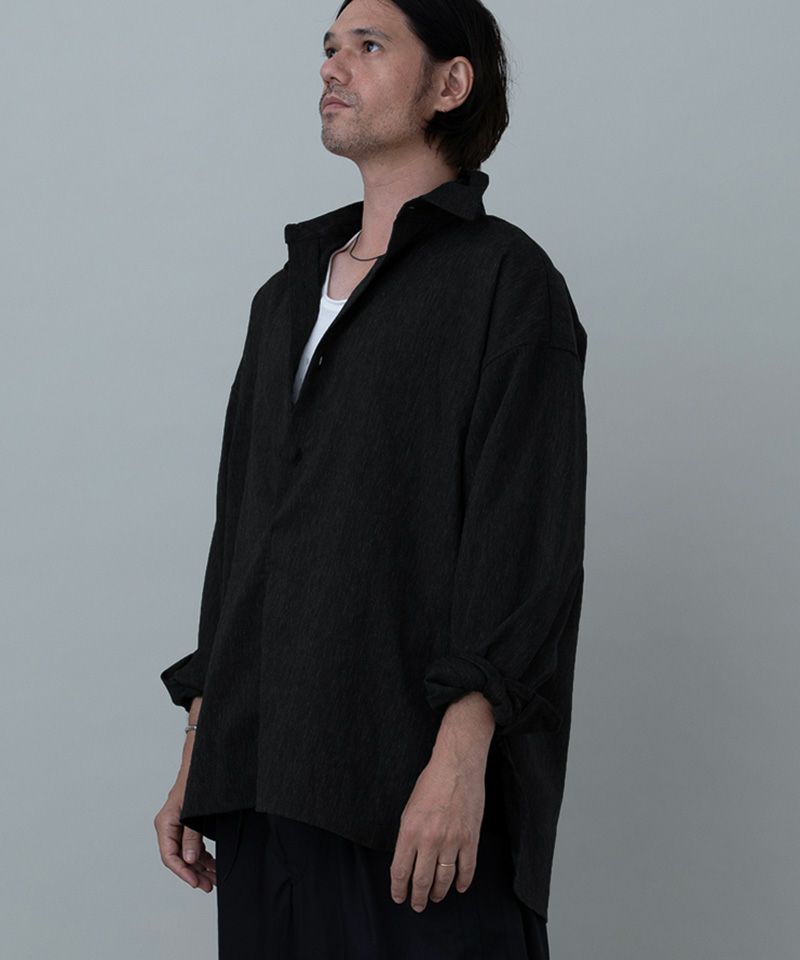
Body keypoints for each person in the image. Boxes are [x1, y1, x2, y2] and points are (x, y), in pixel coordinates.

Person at [153, 0, 588, 957]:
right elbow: (242, 538)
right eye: (329, 47)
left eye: (369, 45)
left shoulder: (507, 284)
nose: (332, 66)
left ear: (450, 83)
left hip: (407, 795)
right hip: (262, 784)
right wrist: (201, 745)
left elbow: (528, 540)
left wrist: (460, 760)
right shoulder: (283, 300)